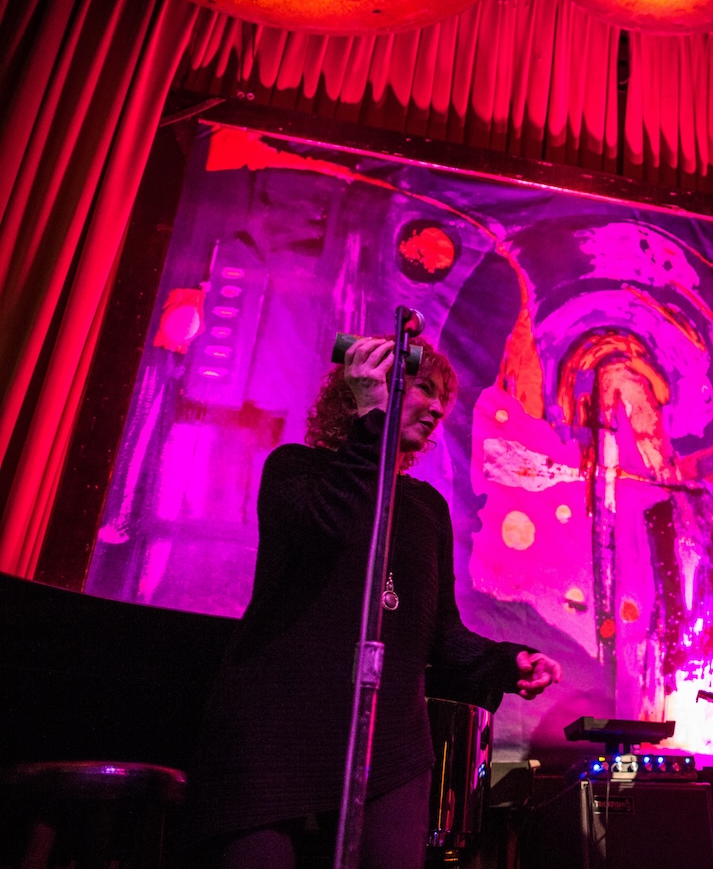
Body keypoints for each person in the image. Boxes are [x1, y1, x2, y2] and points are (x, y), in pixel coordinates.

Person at [191, 337, 562, 868]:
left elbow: (437, 632)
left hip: (386, 743)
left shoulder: (426, 507)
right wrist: (372, 423)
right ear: (371, 386)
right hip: (277, 733)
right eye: (423, 390)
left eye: (444, 399)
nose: (437, 408)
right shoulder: (294, 471)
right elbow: (336, 524)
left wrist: (509, 662)